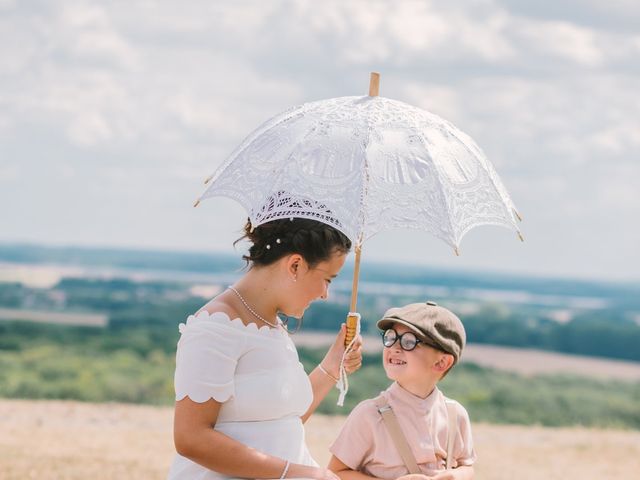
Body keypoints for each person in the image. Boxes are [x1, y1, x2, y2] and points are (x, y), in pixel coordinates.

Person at [168, 217, 363, 480]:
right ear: (295, 265)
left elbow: (280, 421)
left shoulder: (271, 325)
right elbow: (191, 438)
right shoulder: (215, 328)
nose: (324, 294)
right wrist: (298, 474)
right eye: (327, 279)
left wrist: (332, 366)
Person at [328, 301, 476, 480]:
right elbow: (335, 473)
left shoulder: (455, 415)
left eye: (409, 341)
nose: (394, 348)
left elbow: (467, 467)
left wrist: (453, 476)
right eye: (391, 338)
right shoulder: (369, 414)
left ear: (441, 363)